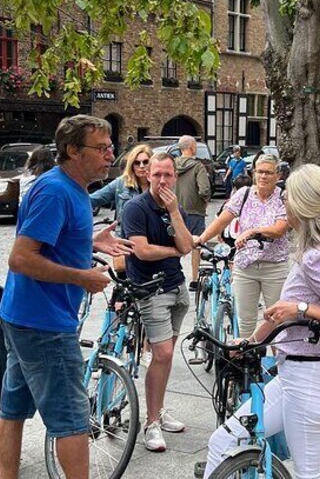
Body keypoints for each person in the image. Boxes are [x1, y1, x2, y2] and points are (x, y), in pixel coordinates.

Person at [204, 164, 320, 478]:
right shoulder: (308, 250)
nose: (283, 203)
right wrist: (249, 341)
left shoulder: (317, 256)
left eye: (288, 198)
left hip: (311, 379)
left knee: (309, 474)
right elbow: (282, 310)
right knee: (224, 439)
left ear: (302, 204)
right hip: (292, 373)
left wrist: (301, 308)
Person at [0, 115, 132, 479]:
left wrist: (88, 242)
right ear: (72, 150)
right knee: (72, 420)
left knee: (12, 408)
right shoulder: (56, 190)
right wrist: (82, 277)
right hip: (44, 324)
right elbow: (21, 258)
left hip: (23, 316)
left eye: (111, 148)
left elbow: (51, 241)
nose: (110, 156)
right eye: (101, 149)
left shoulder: (70, 188)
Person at [121, 152, 195, 452]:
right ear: (147, 175)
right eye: (157, 175)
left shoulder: (174, 207)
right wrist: (172, 251)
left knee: (166, 356)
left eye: (168, 175)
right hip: (151, 290)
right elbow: (141, 251)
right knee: (162, 354)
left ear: (175, 177)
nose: (162, 180)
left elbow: (188, 245)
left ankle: (159, 412)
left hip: (177, 288)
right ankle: (151, 424)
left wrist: (175, 212)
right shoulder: (135, 208)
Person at [195, 154, 289, 338]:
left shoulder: (283, 198)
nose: (263, 176)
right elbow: (223, 220)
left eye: (269, 173)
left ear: (278, 176)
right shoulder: (244, 193)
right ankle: (246, 363)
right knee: (245, 321)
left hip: (274, 266)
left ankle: (280, 364)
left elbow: (279, 230)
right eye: (260, 172)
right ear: (254, 173)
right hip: (245, 265)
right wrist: (202, 238)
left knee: (278, 320)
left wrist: (251, 232)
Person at [89, 143, 153, 238]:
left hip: (152, 241)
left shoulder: (159, 183)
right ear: (131, 165)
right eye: (137, 162)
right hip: (125, 240)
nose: (141, 166)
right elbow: (92, 199)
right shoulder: (121, 183)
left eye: (145, 162)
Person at [175, 135, 211, 282]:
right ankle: (194, 279)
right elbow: (204, 189)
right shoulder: (198, 166)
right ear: (191, 147)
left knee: (175, 245)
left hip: (175, 211)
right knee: (196, 246)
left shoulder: (172, 165)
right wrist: (204, 200)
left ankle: (174, 275)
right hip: (195, 211)